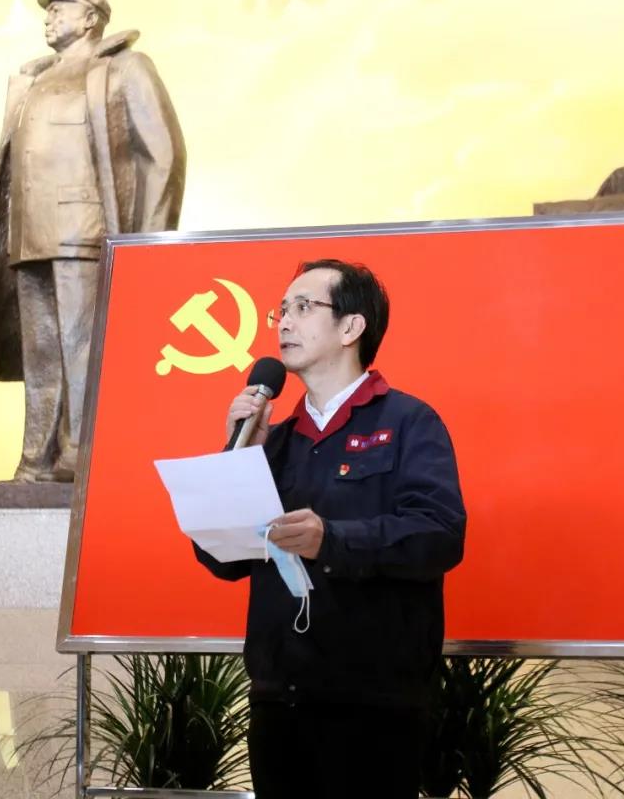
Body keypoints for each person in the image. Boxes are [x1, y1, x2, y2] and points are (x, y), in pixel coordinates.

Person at [193, 259, 467, 798]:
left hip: (374, 708)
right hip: (278, 701)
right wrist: (237, 456)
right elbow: (221, 559)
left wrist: (332, 540)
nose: (284, 323)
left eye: (303, 307)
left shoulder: (408, 422)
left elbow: (439, 534)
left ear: (351, 327)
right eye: (281, 311)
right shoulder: (273, 440)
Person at [0, 0, 186, 482]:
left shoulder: (124, 68)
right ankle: (36, 458)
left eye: (61, 9)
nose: (49, 17)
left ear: (91, 17)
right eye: (48, 10)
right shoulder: (31, 80)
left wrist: (148, 246)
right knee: (41, 355)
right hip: (29, 237)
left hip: (84, 231)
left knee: (81, 345)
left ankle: (80, 450)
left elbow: (163, 154)